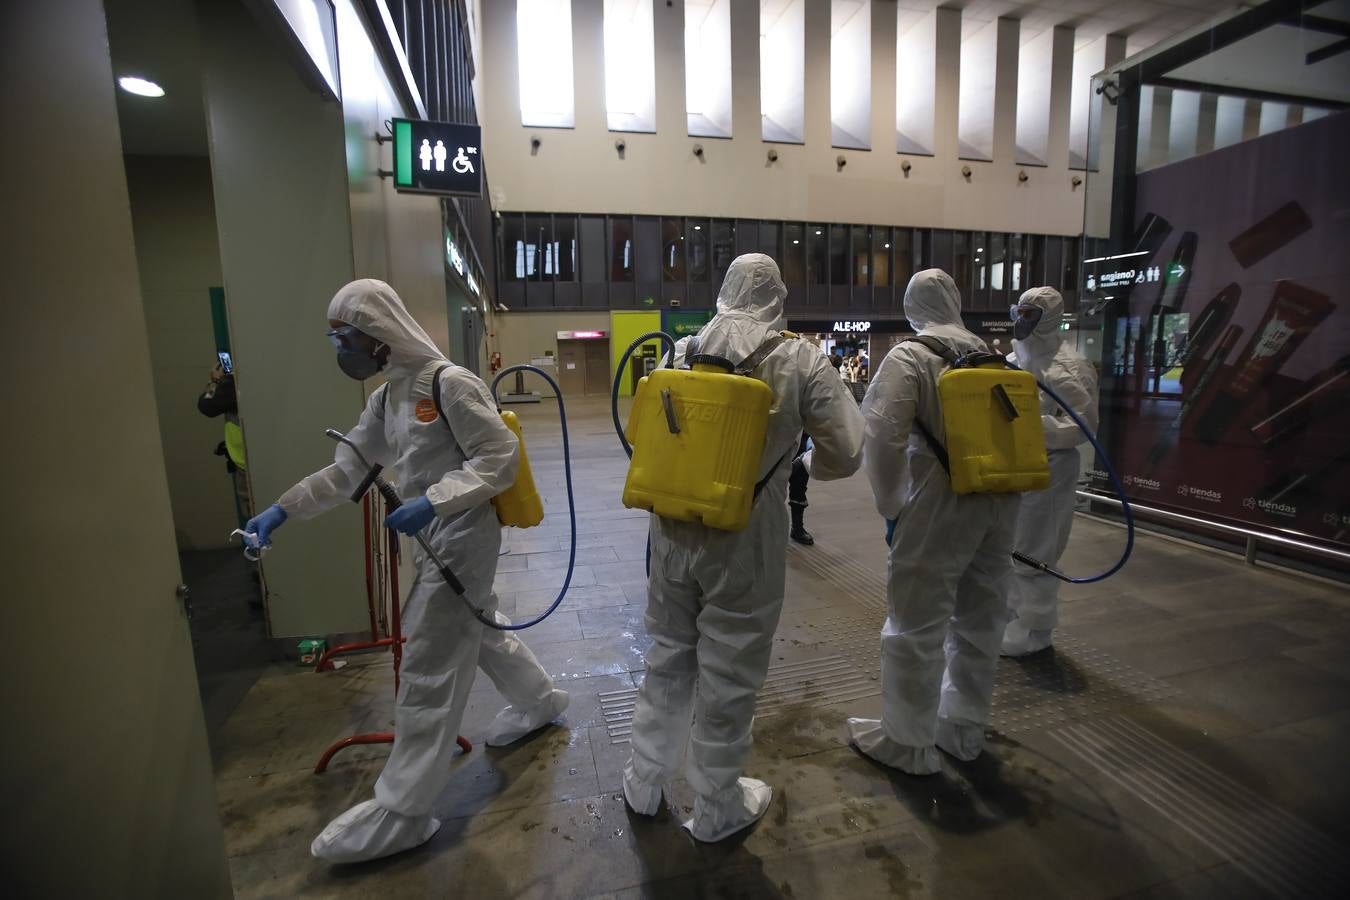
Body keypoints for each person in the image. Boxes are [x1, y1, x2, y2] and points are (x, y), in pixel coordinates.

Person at [244, 279, 568, 863]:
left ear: (379, 333)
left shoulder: (450, 384)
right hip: (432, 535)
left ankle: (405, 809)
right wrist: (283, 509)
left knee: (429, 662)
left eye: (345, 336)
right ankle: (540, 700)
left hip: (465, 533)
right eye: (335, 338)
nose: (341, 347)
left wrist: (435, 500)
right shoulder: (387, 397)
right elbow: (349, 470)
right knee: (480, 627)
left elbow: (499, 457)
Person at [623, 254, 864, 841]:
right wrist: (803, 461)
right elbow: (849, 450)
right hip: (745, 533)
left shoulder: (683, 350)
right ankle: (716, 806)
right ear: (777, 297)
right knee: (729, 671)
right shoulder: (800, 357)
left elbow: (645, 433)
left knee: (667, 654)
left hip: (673, 527)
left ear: (725, 290)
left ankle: (644, 780)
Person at [847, 269, 1020, 775]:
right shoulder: (995, 357)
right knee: (981, 618)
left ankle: (907, 741)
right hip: (1000, 501)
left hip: (938, 503)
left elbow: (880, 435)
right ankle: (962, 729)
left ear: (910, 306)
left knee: (915, 624)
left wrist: (892, 504)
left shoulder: (911, 357)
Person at [1001, 287, 1099, 656]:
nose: (1021, 321)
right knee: (1010, 549)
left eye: (1031, 314)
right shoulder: (1011, 360)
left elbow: (1085, 427)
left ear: (1051, 317)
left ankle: (1035, 631)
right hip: (1012, 468)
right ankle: (1012, 618)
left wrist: (1032, 426)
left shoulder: (1071, 367)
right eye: (1019, 312)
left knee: (1035, 552)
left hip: (1050, 470)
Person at [788, 433, 813, 545]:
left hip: (801, 432)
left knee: (799, 483)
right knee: (772, 486)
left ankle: (797, 527)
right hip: (775, 430)